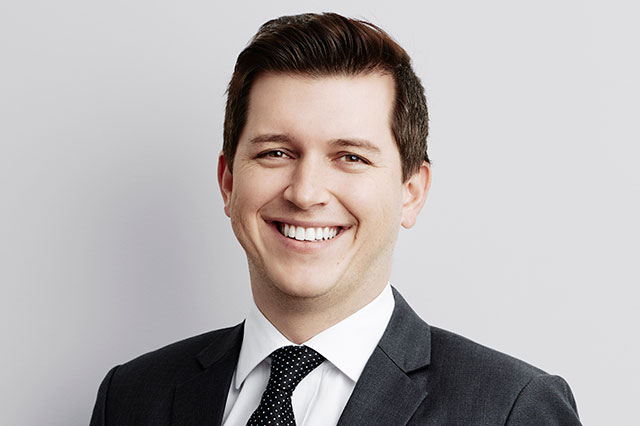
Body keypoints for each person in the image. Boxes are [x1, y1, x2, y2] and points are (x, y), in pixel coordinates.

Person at [89, 12, 581, 426]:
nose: (305, 193)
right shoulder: (131, 398)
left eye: (350, 157)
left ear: (411, 193)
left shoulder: (510, 409)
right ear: (228, 182)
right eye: (276, 152)